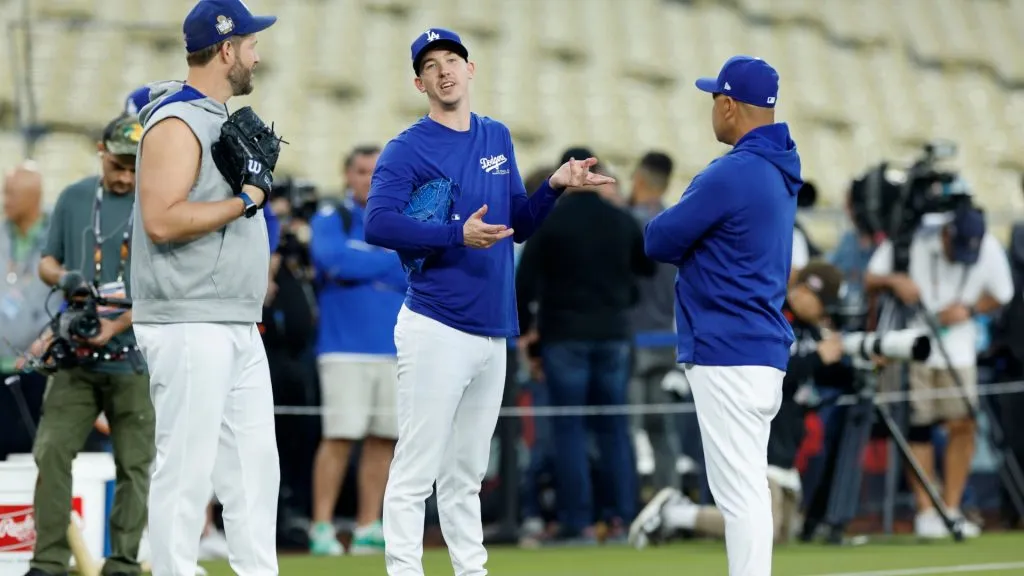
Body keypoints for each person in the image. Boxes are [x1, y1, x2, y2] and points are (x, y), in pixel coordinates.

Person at [362, 27, 613, 576]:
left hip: (492, 327)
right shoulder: (406, 147)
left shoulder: (496, 135)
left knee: (467, 471)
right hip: (436, 322)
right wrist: (456, 234)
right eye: (431, 65)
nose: (444, 70)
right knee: (416, 470)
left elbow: (517, 226)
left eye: (453, 59)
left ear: (471, 69)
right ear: (418, 82)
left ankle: (470, 571)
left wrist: (555, 186)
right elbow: (377, 223)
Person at [129, 1, 280, 574]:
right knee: (186, 471)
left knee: (255, 470)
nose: (257, 55)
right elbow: (161, 220)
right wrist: (245, 200)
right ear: (226, 48)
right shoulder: (176, 120)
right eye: (251, 43)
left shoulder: (215, 116)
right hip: (188, 318)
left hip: (234, 319)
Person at [642, 55, 801, 576]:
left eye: (715, 98)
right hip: (759, 346)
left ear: (729, 105)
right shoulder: (777, 167)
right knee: (746, 488)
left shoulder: (733, 172)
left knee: (740, 495)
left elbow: (658, 238)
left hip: (728, 348)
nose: (712, 108)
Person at [629, 261, 845, 548]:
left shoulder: (811, 331)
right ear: (806, 291)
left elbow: (823, 374)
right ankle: (675, 514)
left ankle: (680, 516)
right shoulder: (772, 318)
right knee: (760, 525)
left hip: (785, 444)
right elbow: (772, 372)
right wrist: (817, 357)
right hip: (760, 437)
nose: (823, 311)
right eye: (821, 302)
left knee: (781, 534)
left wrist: (851, 364)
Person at [27, 114, 154, 576]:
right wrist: (65, 279)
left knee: (135, 463)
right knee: (52, 452)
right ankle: (49, 562)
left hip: (136, 352)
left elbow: (166, 288)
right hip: (75, 354)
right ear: (102, 151)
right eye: (117, 164)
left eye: (133, 167)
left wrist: (117, 324)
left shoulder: (157, 202)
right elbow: (46, 261)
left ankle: (122, 563)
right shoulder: (76, 196)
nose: (124, 176)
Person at [515, 147, 653, 544]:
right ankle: (622, 518)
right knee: (614, 428)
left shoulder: (551, 224)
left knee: (569, 429)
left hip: (564, 336)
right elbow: (645, 267)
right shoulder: (621, 220)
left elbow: (524, 286)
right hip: (612, 334)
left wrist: (527, 334)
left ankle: (578, 521)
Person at [865, 205, 1013, 538]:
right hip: (913, 344)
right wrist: (896, 280)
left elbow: (1004, 293)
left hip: (959, 349)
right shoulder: (916, 235)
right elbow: (871, 277)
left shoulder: (987, 246)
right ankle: (926, 512)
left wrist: (970, 309)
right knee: (917, 427)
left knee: (964, 423)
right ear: (946, 232)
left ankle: (951, 507)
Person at [307, 144, 405, 556]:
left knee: (384, 438)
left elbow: (416, 267)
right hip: (344, 348)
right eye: (362, 171)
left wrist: (367, 259)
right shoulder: (334, 216)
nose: (369, 178)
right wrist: (389, 257)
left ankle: (368, 524)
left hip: (395, 347)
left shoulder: (401, 219)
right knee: (340, 437)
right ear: (347, 175)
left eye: (376, 171)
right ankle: (322, 526)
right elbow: (331, 260)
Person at [626, 151, 682, 494]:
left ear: (639, 180)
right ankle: (670, 498)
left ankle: (629, 504)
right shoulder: (677, 221)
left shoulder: (627, 221)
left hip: (633, 338)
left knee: (628, 427)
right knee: (664, 430)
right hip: (666, 337)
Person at [0, 163, 50, 460]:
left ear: (34, 197)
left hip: (39, 368)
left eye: (11, 193)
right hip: (1, 369)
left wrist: (45, 340)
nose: (4, 199)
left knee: (36, 454)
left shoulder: (57, 232)